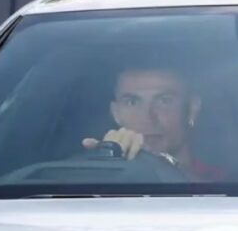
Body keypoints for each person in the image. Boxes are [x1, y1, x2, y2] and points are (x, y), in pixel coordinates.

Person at [81, 63, 226, 181]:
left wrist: (165, 167)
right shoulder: (89, 180)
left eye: (164, 101)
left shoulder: (224, 183)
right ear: (116, 113)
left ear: (192, 109)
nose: (147, 118)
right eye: (132, 102)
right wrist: (103, 167)